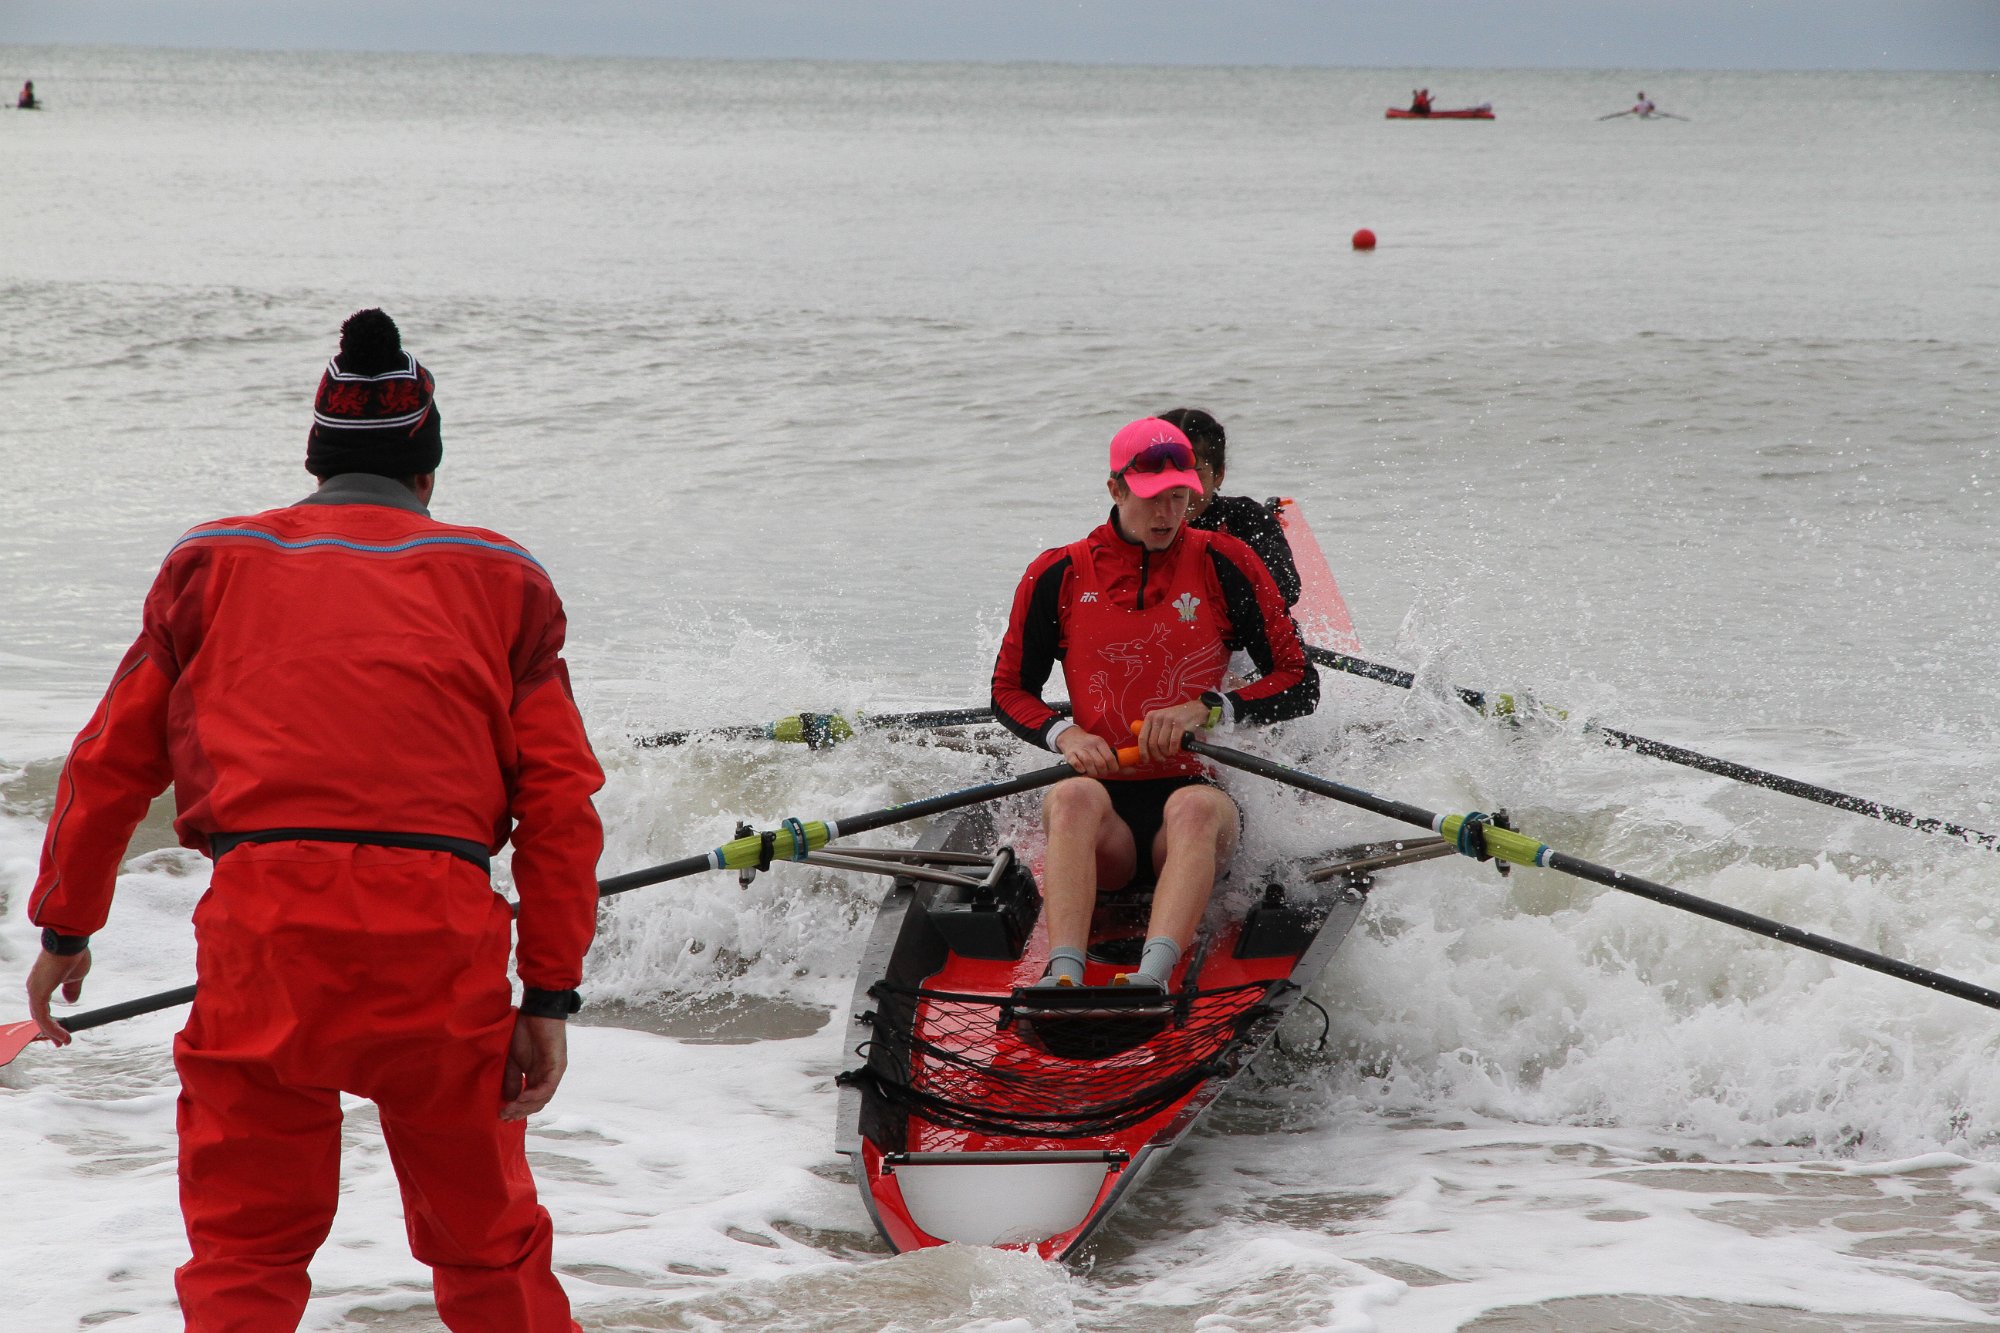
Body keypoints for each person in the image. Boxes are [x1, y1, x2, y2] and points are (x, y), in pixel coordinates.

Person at [23, 308, 605, 1331]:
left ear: (315, 459)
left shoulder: (210, 562)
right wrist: (549, 992)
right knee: (487, 1246)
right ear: (426, 473)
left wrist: (67, 927)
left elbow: (106, 763)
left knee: (245, 1248)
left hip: (263, 929)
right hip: (440, 942)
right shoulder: (504, 579)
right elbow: (559, 808)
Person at [991, 417, 1318, 993]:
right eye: (1152, 499)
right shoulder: (1057, 573)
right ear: (1115, 489)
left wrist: (1209, 709)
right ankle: (1061, 975)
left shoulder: (1228, 562)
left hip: (1195, 803)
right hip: (1104, 819)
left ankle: (1153, 976)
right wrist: (1063, 734)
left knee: (1192, 807)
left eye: (1180, 497)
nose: (1169, 514)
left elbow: (1297, 681)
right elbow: (1009, 690)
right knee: (1069, 795)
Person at [1156, 406, 1302, 610]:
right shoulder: (1139, 522)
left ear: (1218, 475)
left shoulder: (1245, 517)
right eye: (1168, 471)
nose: (1179, 486)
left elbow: (1287, 587)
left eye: (1193, 473)